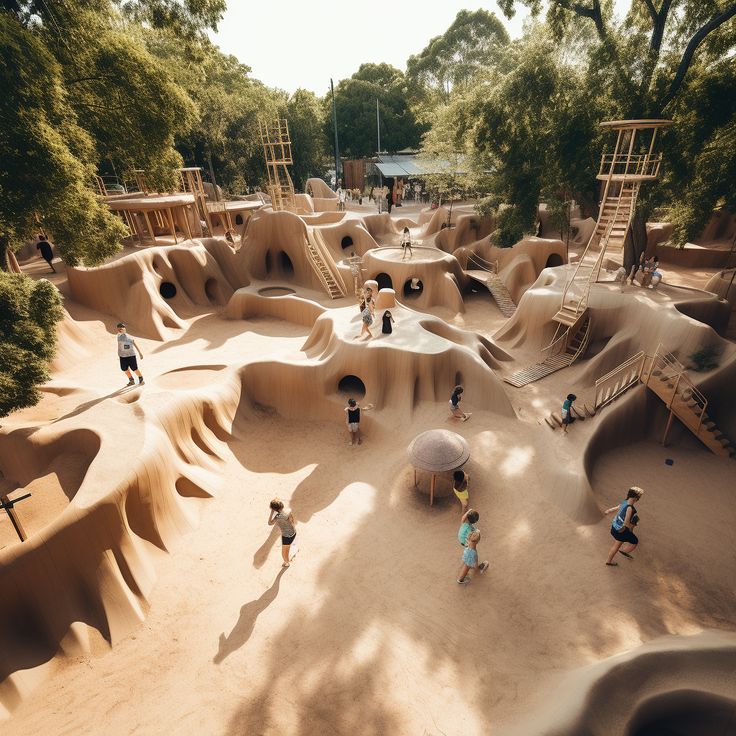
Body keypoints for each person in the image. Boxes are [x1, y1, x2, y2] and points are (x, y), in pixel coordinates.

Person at [604, 487, 644, 566]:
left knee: (619, 543)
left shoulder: (625, 502)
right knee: (634, 541)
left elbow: (615, 508)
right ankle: (621, 553)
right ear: (636, 498)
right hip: (620, 531)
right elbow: (626, 522)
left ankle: (613, 557)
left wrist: (608, 511)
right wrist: (632, 524)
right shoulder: (630, 509)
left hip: (614, 527)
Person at [268, 499, 297, 567]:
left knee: (284, 553)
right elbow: (292, 520)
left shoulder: (277, 517)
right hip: (293, 532)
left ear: (274, 509)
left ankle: (287, 563)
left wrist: (272, 513)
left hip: (286, 537)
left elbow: (269, 523)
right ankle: (288, 557)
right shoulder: (288, 510)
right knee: (288, 547)